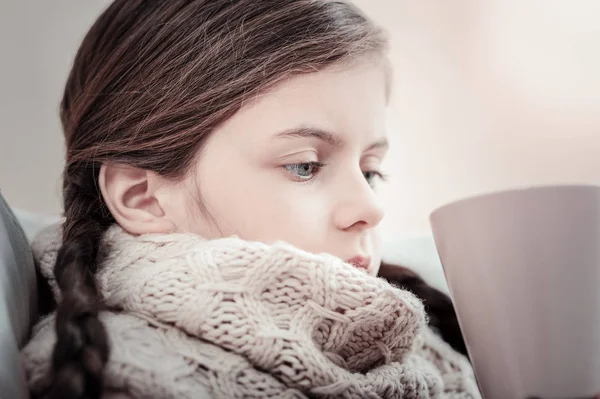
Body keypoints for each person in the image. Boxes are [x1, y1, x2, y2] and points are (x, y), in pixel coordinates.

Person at [21, 1, 480, 398]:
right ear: (143, 198)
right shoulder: (125, 378)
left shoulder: (440, 348)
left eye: (370, 171)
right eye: (304, 165)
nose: (370, 209)